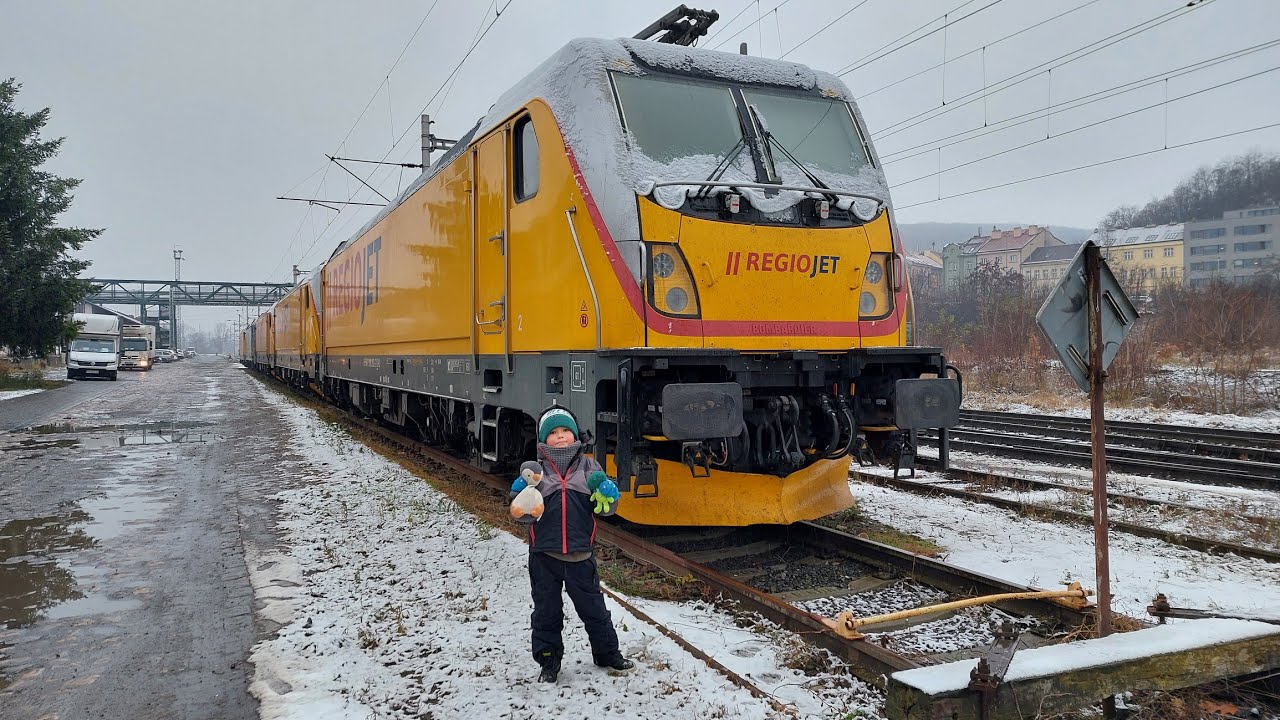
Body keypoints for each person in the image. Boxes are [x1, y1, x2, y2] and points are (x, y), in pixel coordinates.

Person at [510, 406, 633, 683]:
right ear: (543, 441)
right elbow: (522, 513)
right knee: (546, 613)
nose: (561, 436)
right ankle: (548, 661)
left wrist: (610, 496)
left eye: (566, 430)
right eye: (553, 433)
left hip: (580, 556)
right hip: (544, 556)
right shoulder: (536, 473)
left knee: (595, 611)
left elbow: (605, 509)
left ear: (576, 435)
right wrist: (519, 499)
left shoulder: (591, 468)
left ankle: (608, 654)